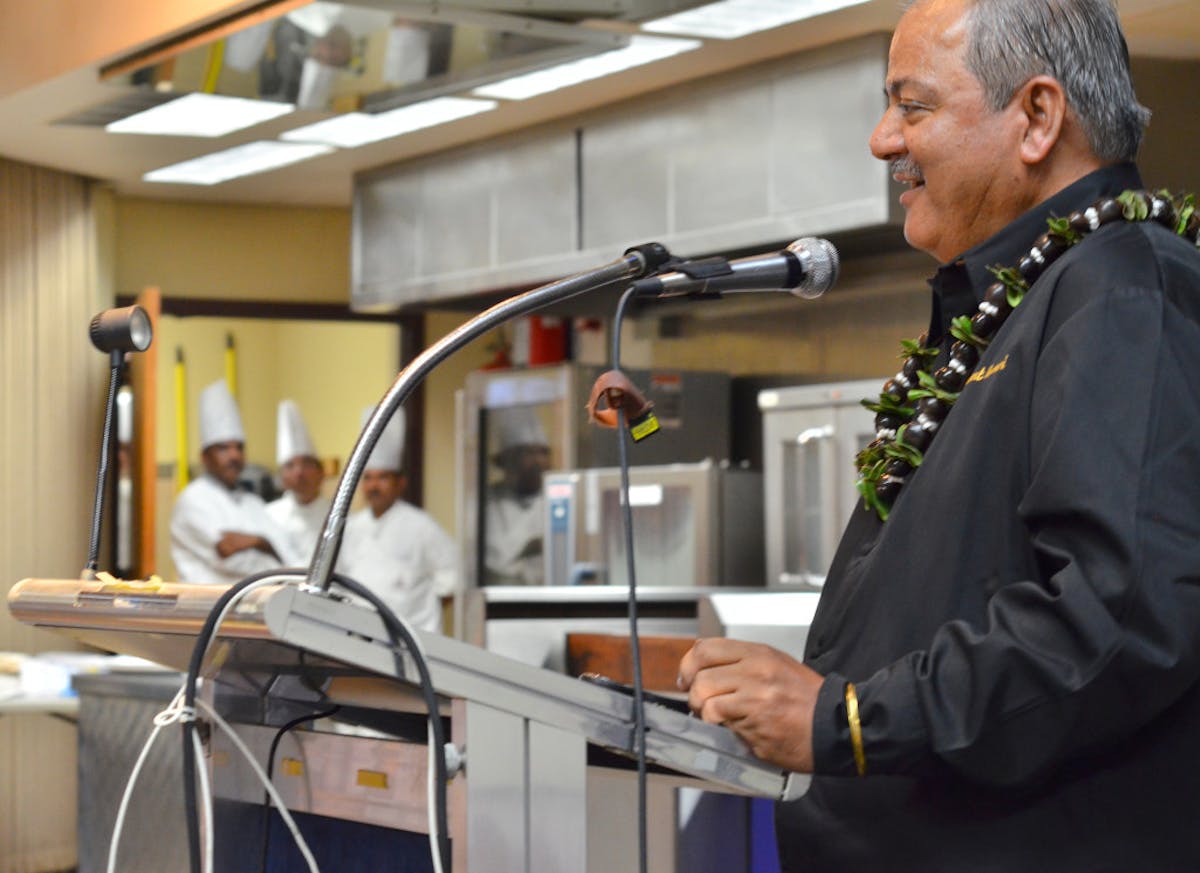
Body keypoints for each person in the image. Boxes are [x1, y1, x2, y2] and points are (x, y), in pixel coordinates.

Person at [677, 1, 1200, 870]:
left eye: (912, 107)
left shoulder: (1122, 289)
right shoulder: (1025, 299)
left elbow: (1120, 616)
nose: (884, 140)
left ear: (1037, 117)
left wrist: (847, 718)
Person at [338, 406, 459, 633]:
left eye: (383, 477)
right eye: (368, 478)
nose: (374, 486)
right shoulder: (351, 527)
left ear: (400, 483)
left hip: (413, 638)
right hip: (360, 637)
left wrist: (420, 611)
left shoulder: (421, 525)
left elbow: (452, 578)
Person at [170, 380, 301, 584]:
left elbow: (289, 555)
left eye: (239, 447)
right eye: (223, 448)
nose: (234, 455)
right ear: (205, 457)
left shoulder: (252, 502)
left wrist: (260, 542)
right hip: (207, 608)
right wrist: (267, 547)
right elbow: (233, 561)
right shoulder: (193, 499)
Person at [483, 405, 552, 585]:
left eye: (542, 452)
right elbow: (498, 561)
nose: (537, 461)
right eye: (528, 452)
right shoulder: (488, 503)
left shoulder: (556, 498)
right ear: (507, 460)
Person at [265, 399, 330, 559]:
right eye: (290, 466)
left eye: (306, 464)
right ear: (281, 477)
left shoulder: (338, 516)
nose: (299, 473)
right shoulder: (268, 517)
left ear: (321, 472)